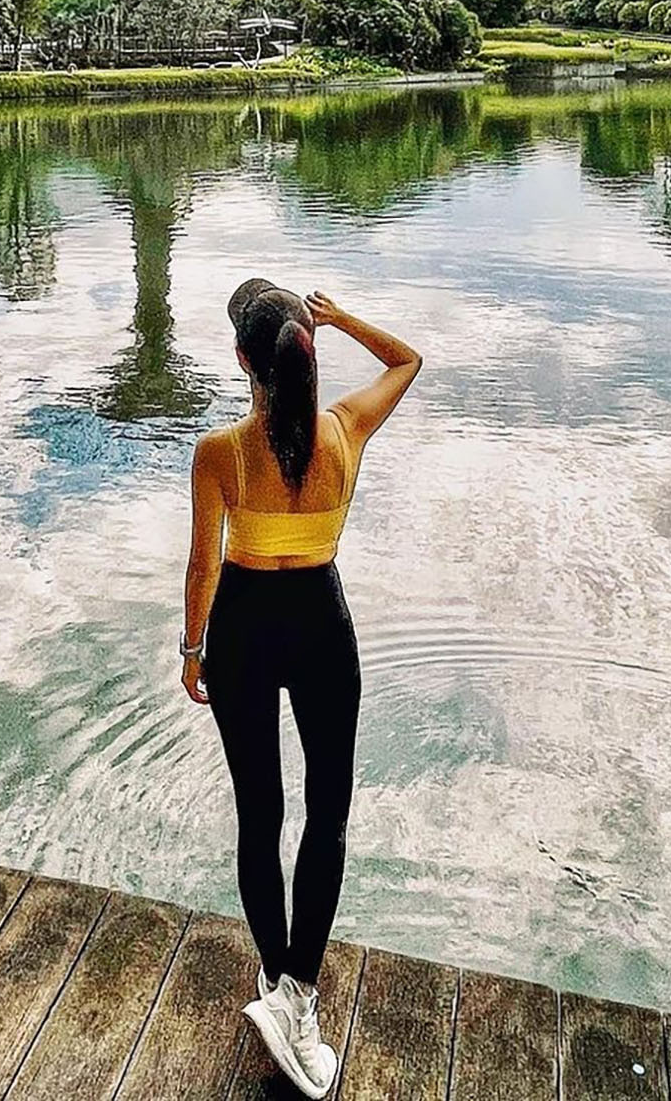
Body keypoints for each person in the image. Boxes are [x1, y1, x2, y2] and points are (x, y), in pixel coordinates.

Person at [182, 278, 422, 1098]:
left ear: (242, 360)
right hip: (321, 627)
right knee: (328, 814)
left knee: (261, 815)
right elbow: (408, 361)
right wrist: (342, 317)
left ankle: (277, 976)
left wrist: (191, 650)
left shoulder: (220, 454)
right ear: (309, 354)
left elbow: (203, 566)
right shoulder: (345, 432)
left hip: (243, 630)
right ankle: (298, 997)